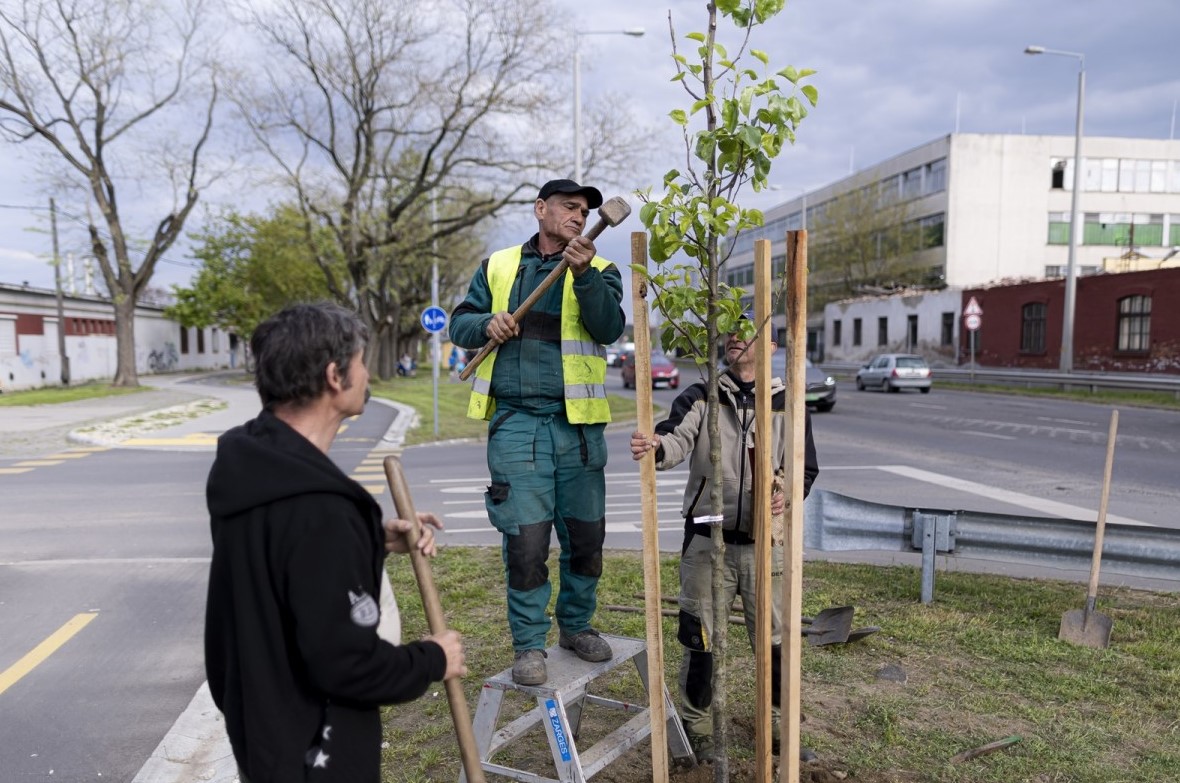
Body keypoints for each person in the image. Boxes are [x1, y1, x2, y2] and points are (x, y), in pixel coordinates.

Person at [204, 302, 466, 782]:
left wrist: (370, 539)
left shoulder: (254, 468)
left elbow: (283, 570)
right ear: (334, 376)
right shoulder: (319, 509)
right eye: (362, 361)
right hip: (315, 751)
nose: (368, 375)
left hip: (262, 731)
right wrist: (432, 658)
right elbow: (348, 666)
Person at [449, 179, 625, 686]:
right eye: (569, 207)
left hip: (579, 429)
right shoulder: (499, 266)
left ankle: (576, 626)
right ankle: (529, 644)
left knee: (586, 539)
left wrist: (584, 274)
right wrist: (488, 326)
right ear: (540, 209)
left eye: (585, 210)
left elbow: (608, 327)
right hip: (518, 425)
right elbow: (460, 324)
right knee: (526, 544)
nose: (578, 215)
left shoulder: (601, 269)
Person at [629, 319, 819, 763]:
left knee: (775, 643)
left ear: (770, 344)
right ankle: (695, 729)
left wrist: (786, 494)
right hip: (705, 542)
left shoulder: (787, 402)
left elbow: (804, 468)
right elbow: (673, 441)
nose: (734, 338)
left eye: (746, 331)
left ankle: (776, 725)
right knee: (699, 639)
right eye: (729, 332)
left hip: (764, 547)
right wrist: (654, 447)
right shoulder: (701, 396)